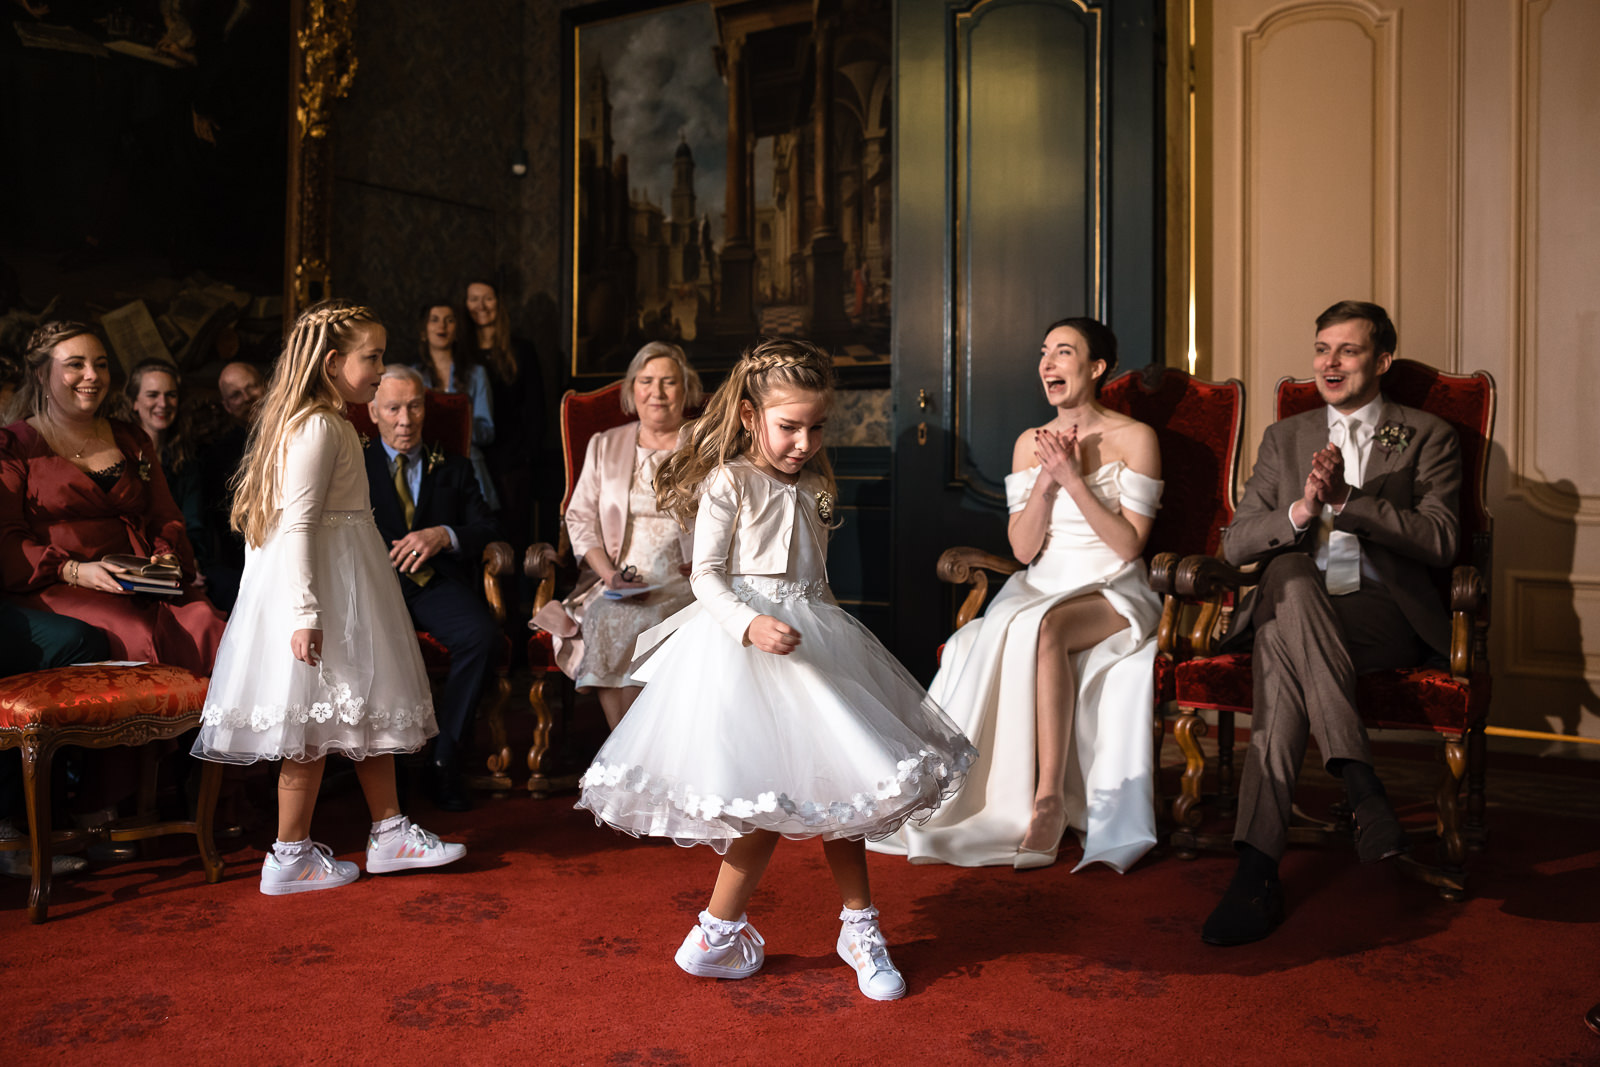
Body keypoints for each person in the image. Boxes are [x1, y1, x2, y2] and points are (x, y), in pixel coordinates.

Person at [575, 338, 976, 1002]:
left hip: (814, 640)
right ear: (749, 416)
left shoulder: (815, 480)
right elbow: (706, 575)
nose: (804, 441)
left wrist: (827, 635)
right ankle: (716, 931)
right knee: (769, 800)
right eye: (789, 426)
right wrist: (749, 623)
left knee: (845, 789)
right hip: (745, 650)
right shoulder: (730, 479)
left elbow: (812, 578)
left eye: (817, 427)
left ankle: (850, 925)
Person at [1200, 300, 1460, 946]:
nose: (1330, 363)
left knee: (1279, 637)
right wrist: (1299, 510)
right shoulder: (1284, 437)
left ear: (1382, 360)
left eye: (1347, 350)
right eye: (1322, 349)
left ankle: (1257, 869)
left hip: (1382, 612)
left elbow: (1442, 540)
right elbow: (1235, 544)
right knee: (1287, 577)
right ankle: (1360, 783)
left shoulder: (1427, 434)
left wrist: (1348, 503)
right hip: (1298, 604)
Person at [192, 300, 465, 895]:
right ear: (334, 361)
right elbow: (296, 525)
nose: (380, 367)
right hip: (327, 589)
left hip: (346, 579)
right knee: (313, 721)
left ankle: (390, 831)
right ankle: (289, 854)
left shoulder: (328, 420)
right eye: (373, 357)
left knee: (359, 706)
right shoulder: (317, 426)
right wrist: (306, 612)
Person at [873, 318, 1163, 872]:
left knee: (1045, 627)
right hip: (1043, 580)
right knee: (976, 640)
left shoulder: (1135, 438)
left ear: (1097, 368)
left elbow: (1128, 547)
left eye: (1064, 352)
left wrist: (1074, 477)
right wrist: (1047, 482)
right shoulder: (1028, 444)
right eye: (1044, 352)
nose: (1048, 363)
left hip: (1112, 587)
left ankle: (1048, 797)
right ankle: (970, 794)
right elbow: (1024, 550)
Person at [0, 322, 225, 672]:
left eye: (101, 364)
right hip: (58, 584)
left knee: (205, 620)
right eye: (76, 364)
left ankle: (208, 728)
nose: (92, 375)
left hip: (141, 583)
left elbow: (164, 514)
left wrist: (164, 557)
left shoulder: (131, 439)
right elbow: (6, 538)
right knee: (137, 633)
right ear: (42, 375)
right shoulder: (14, 446)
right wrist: (73, 570)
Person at [364, 365, 501, 812]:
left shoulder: (454, 466)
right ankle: (390, 765)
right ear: (373, 412)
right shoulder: (354, 465)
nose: (406, 420)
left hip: (435, 584)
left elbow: (488, 526)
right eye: (393, 408)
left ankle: (445, 759)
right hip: (373, 587)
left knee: (481, 636)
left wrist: (444, 533)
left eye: (415, 406)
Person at [545, 341, 700, 729]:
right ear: (633, 390)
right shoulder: (605, 444)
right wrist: (609, 575)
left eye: (669, 382)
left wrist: (708, 563)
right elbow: (579, 518)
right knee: (607, 614)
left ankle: (635, 754)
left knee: (644, 622)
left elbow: (733, 512)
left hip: (689, 578)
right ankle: (626, 748)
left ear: (686, 389)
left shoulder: (706, 444)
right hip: (620, 576)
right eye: (646, 381)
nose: (657, 392)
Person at [465, 279, 547, 549]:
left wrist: (529, 456)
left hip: (512, 459)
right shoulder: (462, 353)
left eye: (487, 298)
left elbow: (536, 407)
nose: (481, 306)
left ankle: (516, 592)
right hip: (473, 457)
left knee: (514, 533)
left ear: (499, 303)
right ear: (465, 305)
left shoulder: (521, 349)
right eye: (474, 299)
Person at [123, 359, 207, 579]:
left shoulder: (185, 458)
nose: (163, 403)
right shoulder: (119, 453)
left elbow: (194, 522)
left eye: (170, 395)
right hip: (134, 561)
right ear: (134, 401)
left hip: (182, 559)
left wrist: (191, 563)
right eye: (152, 395)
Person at [413, 301, 496, 509]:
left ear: (457, 331)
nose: (442, 326)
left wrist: (457, 427)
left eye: (449, 320)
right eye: (435, 320)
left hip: (469, 462)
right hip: (425, 465)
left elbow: (487, 431)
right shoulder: (412, 377)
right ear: (424, 331)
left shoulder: (477, 374)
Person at [201, 361, 267, 611]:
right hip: (244, 559)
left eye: (252, 388)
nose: (248, 398)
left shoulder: (292, 432)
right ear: (227, 406)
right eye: (236, 395)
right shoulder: (217, 455)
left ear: (266, 387)